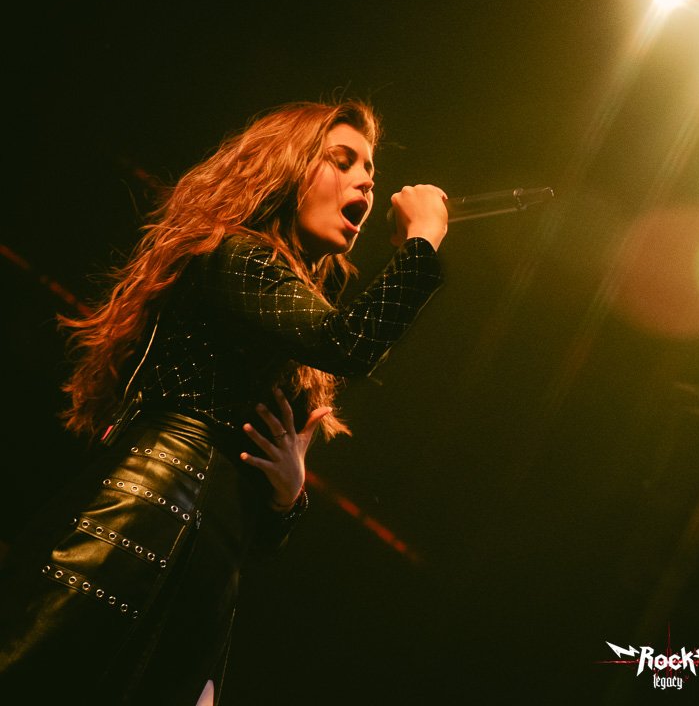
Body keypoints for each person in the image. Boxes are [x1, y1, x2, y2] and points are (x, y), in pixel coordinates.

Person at [0, 98, 448, 704]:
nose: (368, 182)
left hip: (204, 568)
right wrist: (421, 242)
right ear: (286, 169)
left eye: (370, 169)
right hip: (145, 523)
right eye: (342, 160)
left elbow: (260, 534)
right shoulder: (235, 255)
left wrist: (288, 496)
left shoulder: (278, 317)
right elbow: (348, 343)